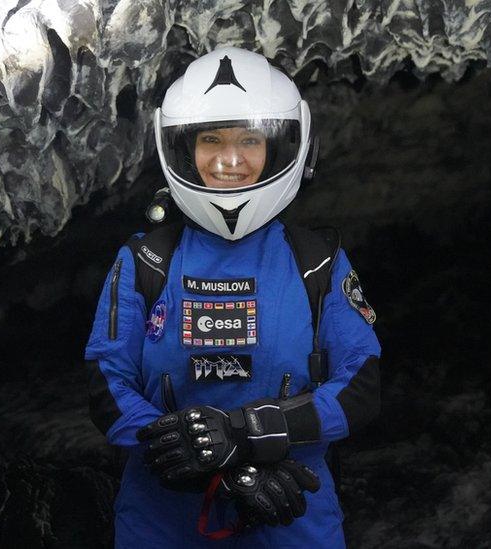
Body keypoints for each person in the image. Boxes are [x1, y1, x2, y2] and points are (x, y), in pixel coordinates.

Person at [85, 46, 381, 548]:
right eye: (210, 140)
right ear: (182, 148)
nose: (229, 159)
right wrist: (202, 461)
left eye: (250, 140)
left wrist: (249, 434)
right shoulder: (145, 261)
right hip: (163, 516)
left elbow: (361, 386)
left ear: (284, 149)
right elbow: (105, 384)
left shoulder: (318, 261)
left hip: (291, 509)